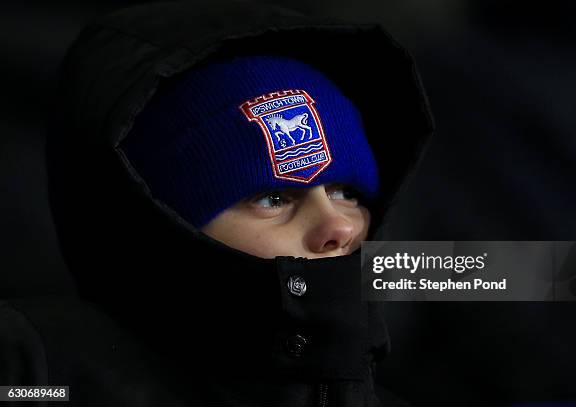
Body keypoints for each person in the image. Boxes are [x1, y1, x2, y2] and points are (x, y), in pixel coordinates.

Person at [0, 1, 433, 406]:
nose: (338, 225)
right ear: (168, 226)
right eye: (274, 198)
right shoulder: (42, 371)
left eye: (346, 192)